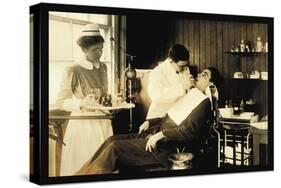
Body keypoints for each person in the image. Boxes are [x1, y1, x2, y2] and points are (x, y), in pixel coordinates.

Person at [75, 71, 212, 175]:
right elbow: (169, 117)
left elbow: (191, 131)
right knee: (111, 139)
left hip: (165, 147)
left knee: (115, 148)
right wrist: (149, 122)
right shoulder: (190, 95)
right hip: (154, 135)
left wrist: (162, 134)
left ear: (211, 84)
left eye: (205, 75)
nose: (199, 74)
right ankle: (81, 174)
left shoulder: (203, 102)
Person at [55, 23, 113, 176]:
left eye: (101, 48)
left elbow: (103, 94)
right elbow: (60, 102)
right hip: (84, 123)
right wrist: (81, 103)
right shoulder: (73, 69)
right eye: (95, 50)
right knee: (85, 165)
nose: (100, 53)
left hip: (103, 120)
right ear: (84, 49)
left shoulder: (103, 67)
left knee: (104, 165)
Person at [139, 44, 193, 134]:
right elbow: (157, 96)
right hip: (159, 116)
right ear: (171, 61)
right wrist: (182, 87)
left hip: (176, 116)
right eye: (181, 66)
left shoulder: (184, 68)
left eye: (186, 65)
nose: (184, 68)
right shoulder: (157, 72)